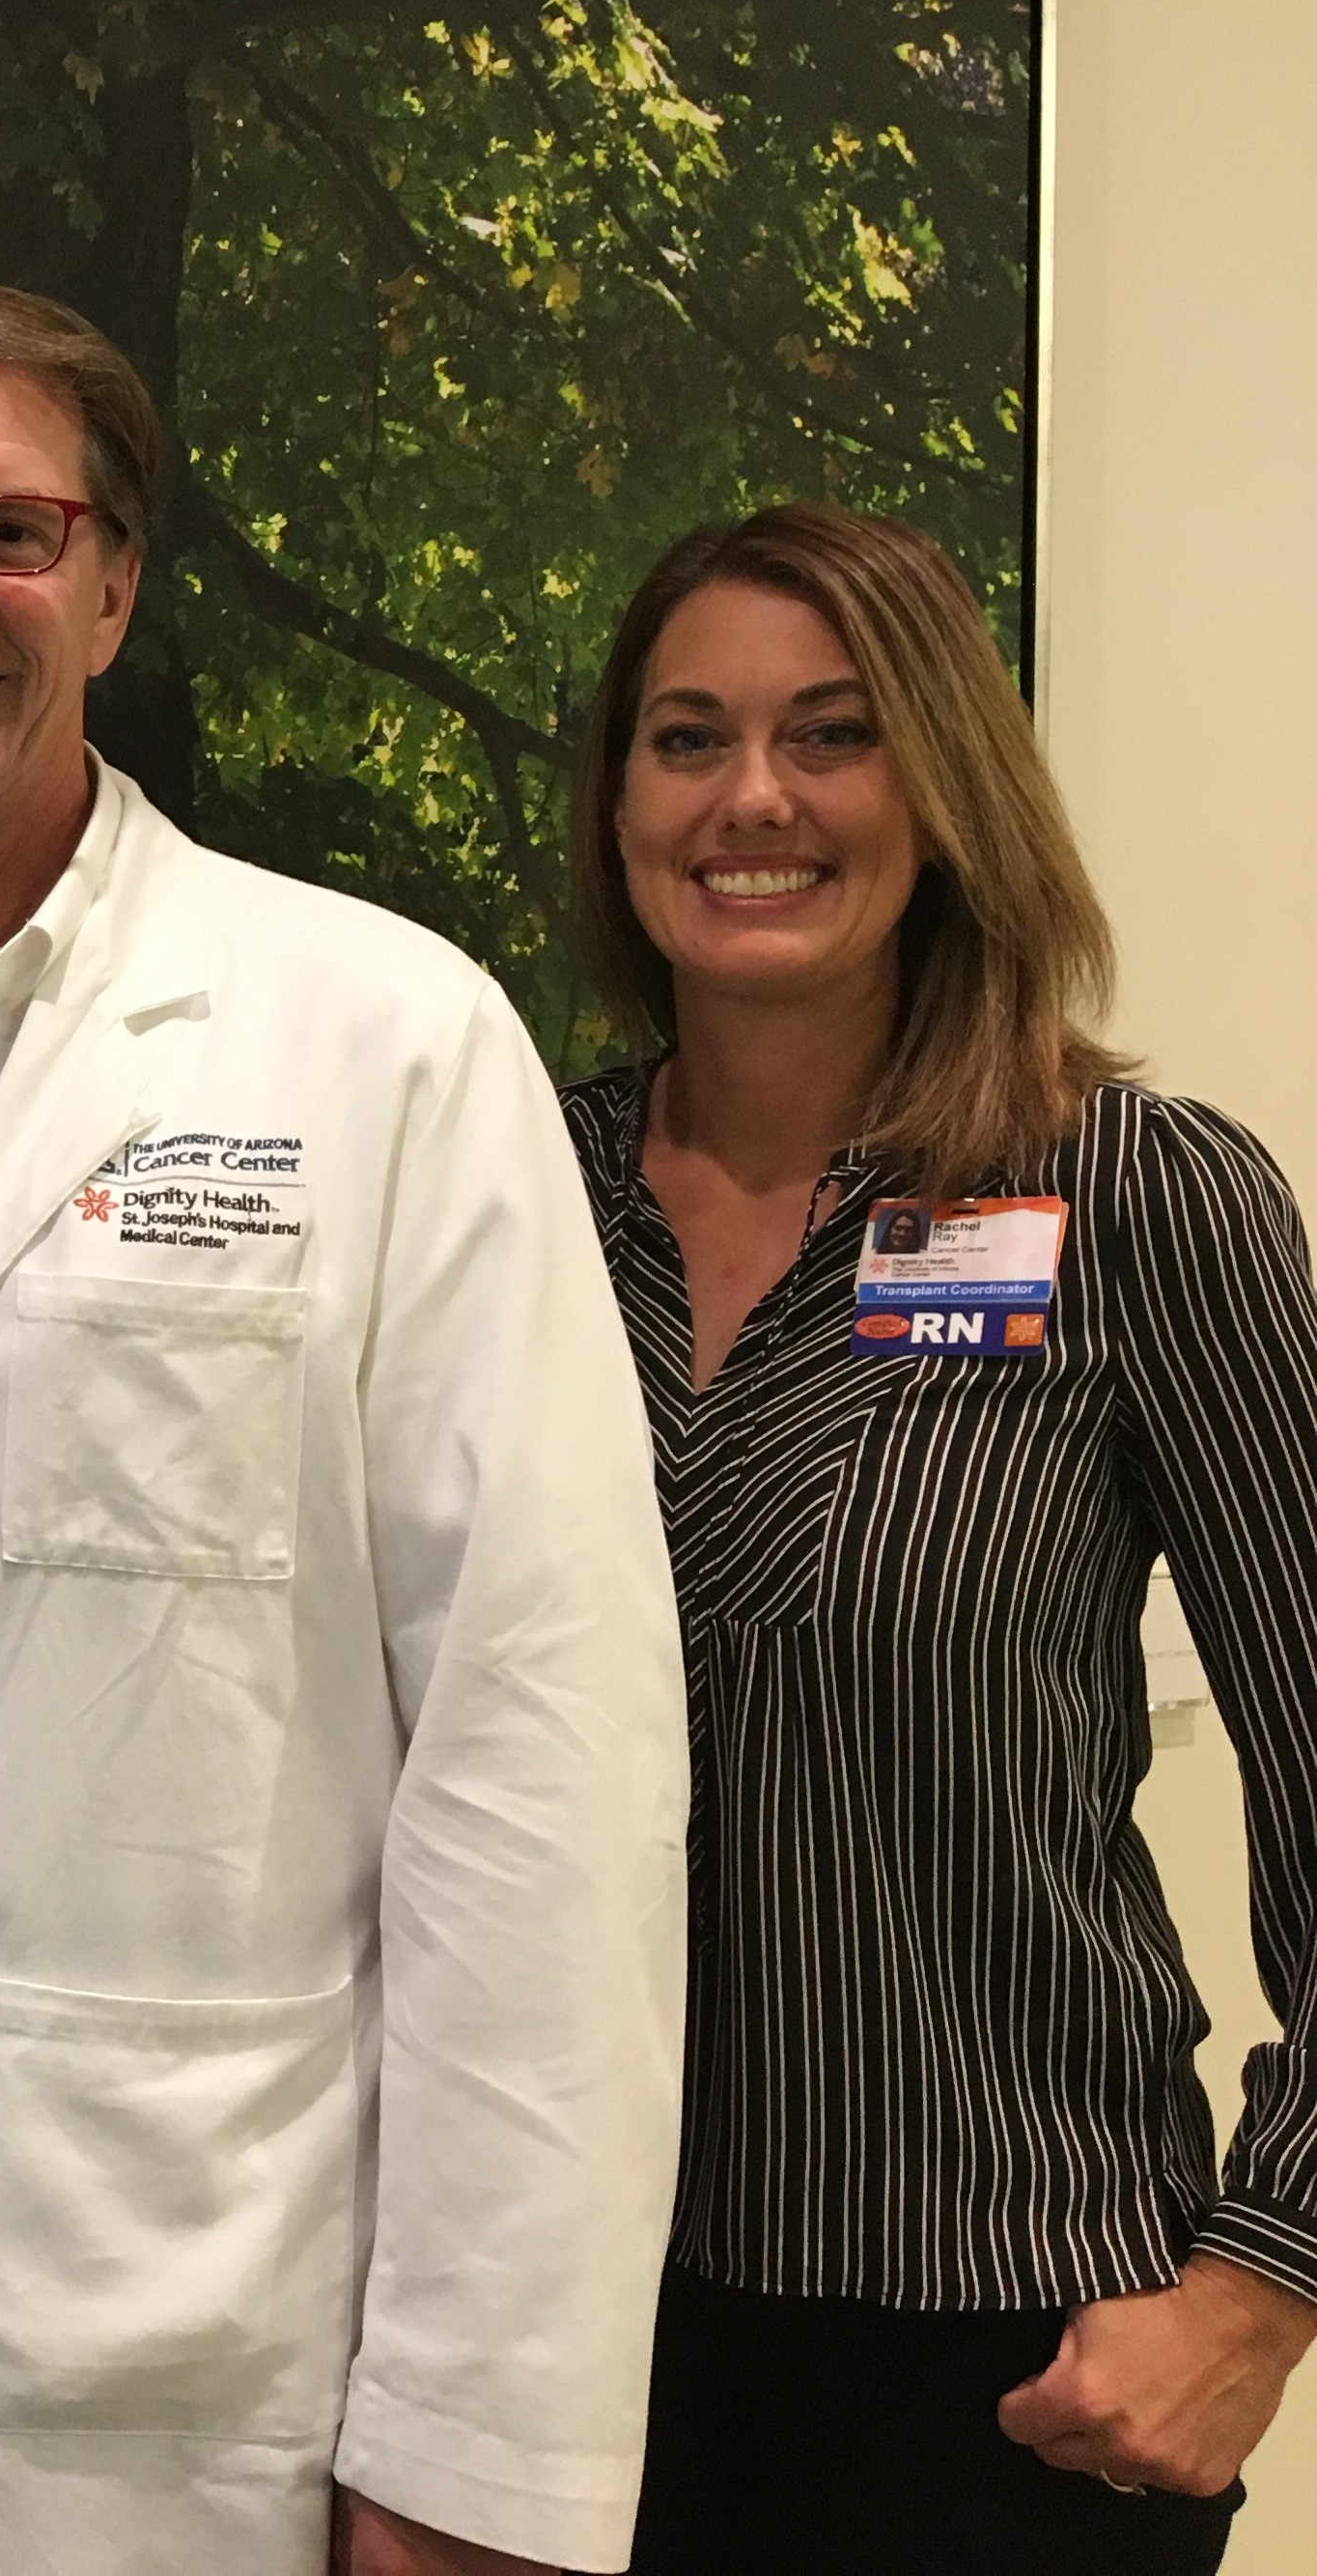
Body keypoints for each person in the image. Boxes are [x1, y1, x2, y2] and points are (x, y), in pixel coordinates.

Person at [0, 280, 690, 2576]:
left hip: (194, 2385)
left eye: (6, 528)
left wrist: (481, 2454)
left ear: (112, 582)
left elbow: (542, 1760)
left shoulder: (379, 1045)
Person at [561, 502, 1317, 2574]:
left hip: (1010, 2369)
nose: (755, 799)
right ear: (618, 798)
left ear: (949, 783)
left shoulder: (1142, 1201)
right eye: (686, 737)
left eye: (835, 733)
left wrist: (1262, 2285)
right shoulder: (514, 1198)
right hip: (549, 2344)